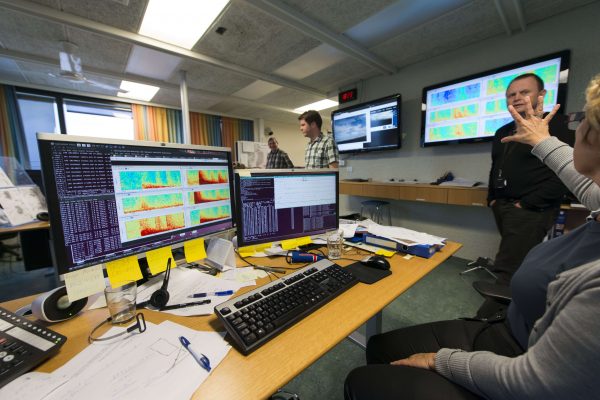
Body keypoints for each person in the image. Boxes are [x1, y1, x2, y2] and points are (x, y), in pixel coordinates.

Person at [344, 73, 600, 400]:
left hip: (518, 360)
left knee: (360, 378)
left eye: (585, 120)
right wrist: (540, 141)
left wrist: (440, 360)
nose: (577, 127)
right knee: (380, 345)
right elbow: (578, 177)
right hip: (510, 328)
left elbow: (535, 381)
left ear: (592, 136)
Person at [487, 73, 574, 284]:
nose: (517, 98)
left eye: (524, 92)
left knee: (508, 268)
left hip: (531, 209)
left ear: (541, 94)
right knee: (514, 257)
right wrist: (492, 198)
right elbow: (495, 166)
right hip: (503, 205)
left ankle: (497, 304)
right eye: (511, 95)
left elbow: (566, 172)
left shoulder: (557, 126)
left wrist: (528, 203)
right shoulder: (502, 132)